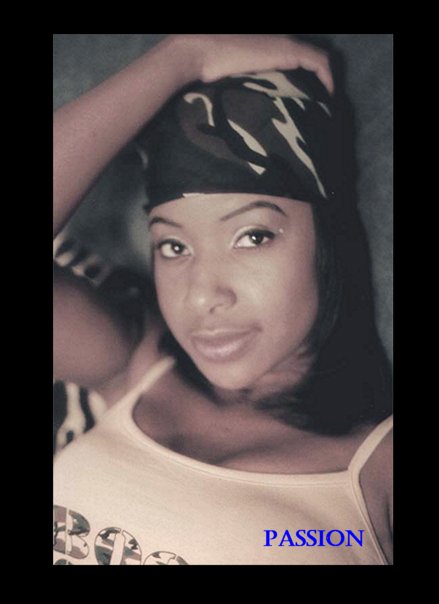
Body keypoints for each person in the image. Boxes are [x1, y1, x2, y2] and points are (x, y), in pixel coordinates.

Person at [53, 34, 393, 565]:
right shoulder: (134, 368)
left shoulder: (375, 473)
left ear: (329, 240)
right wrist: (181, 57)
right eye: (174, 246)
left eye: (252, 237)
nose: (203, 296)